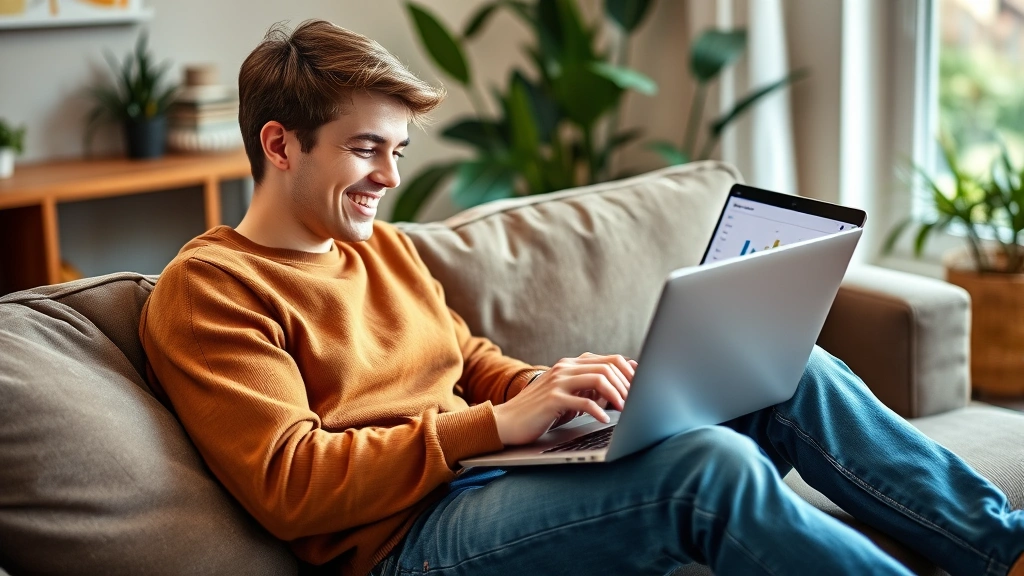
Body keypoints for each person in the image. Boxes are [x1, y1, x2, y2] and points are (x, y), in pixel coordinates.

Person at [139, 19, 1024, 576]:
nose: (389, 177)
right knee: (705, 471)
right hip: (408, 543)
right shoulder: (211, 290)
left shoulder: (377, 251)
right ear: (280, 144)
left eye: (399, 151)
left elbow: (465, 364)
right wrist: (493, 429)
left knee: (788, 371)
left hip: (487, 480)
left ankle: (1002, 551)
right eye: (367, 149)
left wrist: (564, 388)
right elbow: (292, 482)